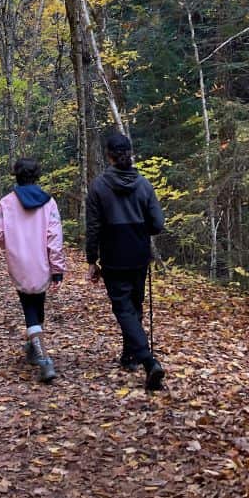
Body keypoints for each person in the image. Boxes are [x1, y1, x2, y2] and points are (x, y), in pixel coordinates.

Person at [86, 132, 166, 392]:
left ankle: (147, 360)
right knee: (134, 305)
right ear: (129, 153)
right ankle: (129, 355)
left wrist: (92, 259)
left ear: (108, 155)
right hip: (139, 254)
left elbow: (94, 226)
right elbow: (157, 225)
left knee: (123, 308)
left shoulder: (98, 186)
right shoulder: (144, 184)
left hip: (113, 256)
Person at [0, 157, 66, 383]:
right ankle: (35, 348)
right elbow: (54, 238)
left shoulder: (5, 203)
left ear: (16, 175)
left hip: (19, 263)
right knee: (37, 304)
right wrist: (57, 269)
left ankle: (42, 357)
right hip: (42, 262)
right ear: (37, 175)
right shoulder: (49, 202)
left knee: (29, 307)